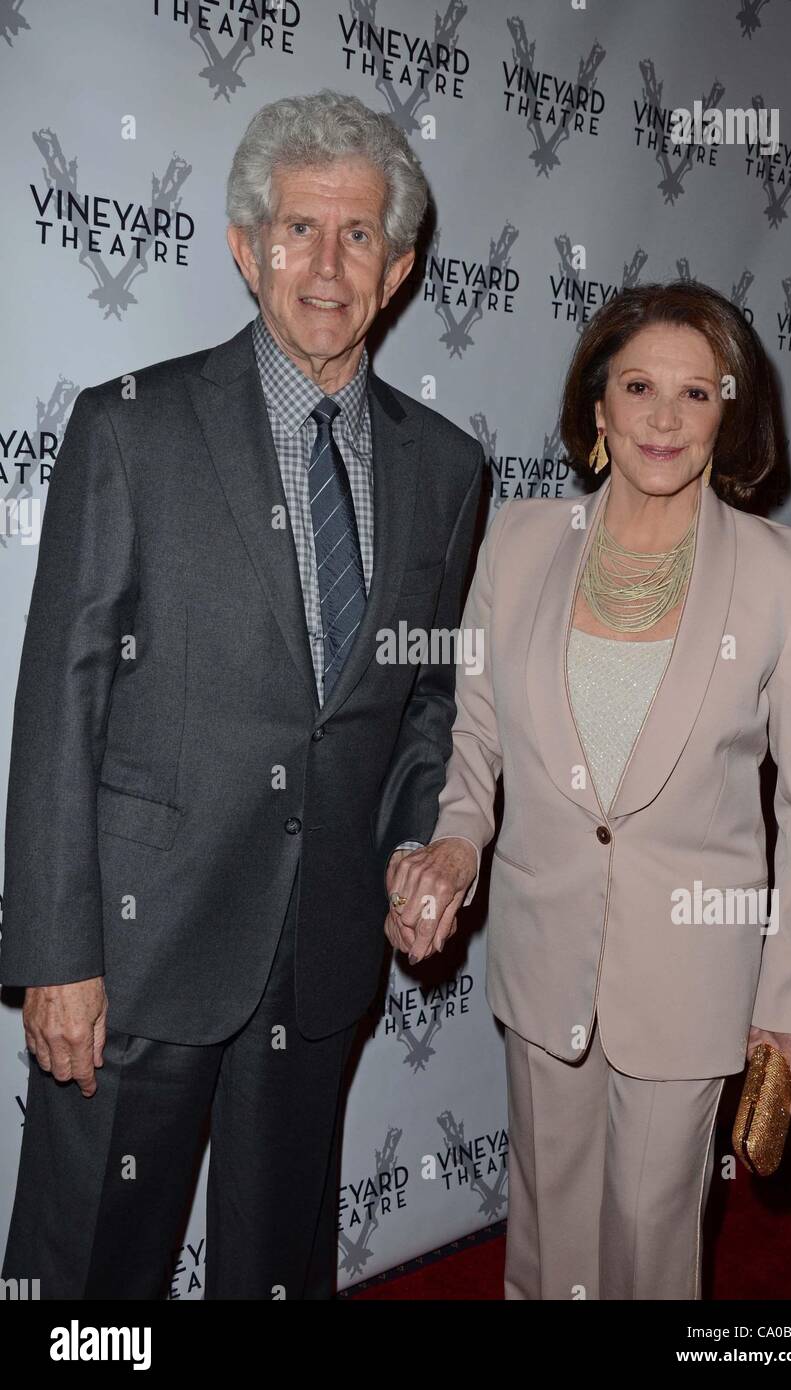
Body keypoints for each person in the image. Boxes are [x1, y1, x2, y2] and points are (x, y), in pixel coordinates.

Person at [1, 89, 484, 1300]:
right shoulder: (131, 429)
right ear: (242, 246)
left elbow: (423, 697)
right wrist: (55, 950)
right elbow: (59, 699)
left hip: (319, 954)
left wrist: (423, 838)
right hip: (135, 948)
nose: (327, 263)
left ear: (402, 264)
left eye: (359, 234)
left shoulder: (447, 467)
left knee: (276, 1269)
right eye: (297, 230)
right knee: (89, 1282)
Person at [385, 281, 791, 1300]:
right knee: (546, 1242)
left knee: (650, 1246)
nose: (665, 417)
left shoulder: (781, 573)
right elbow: (477, 739)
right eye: (639, 386)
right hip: (546, 955)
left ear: (731, 413)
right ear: (598, 408)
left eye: (696, 392)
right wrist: (457, 843)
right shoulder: (519, 542)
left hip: (690, 979)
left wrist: (788, 1003)